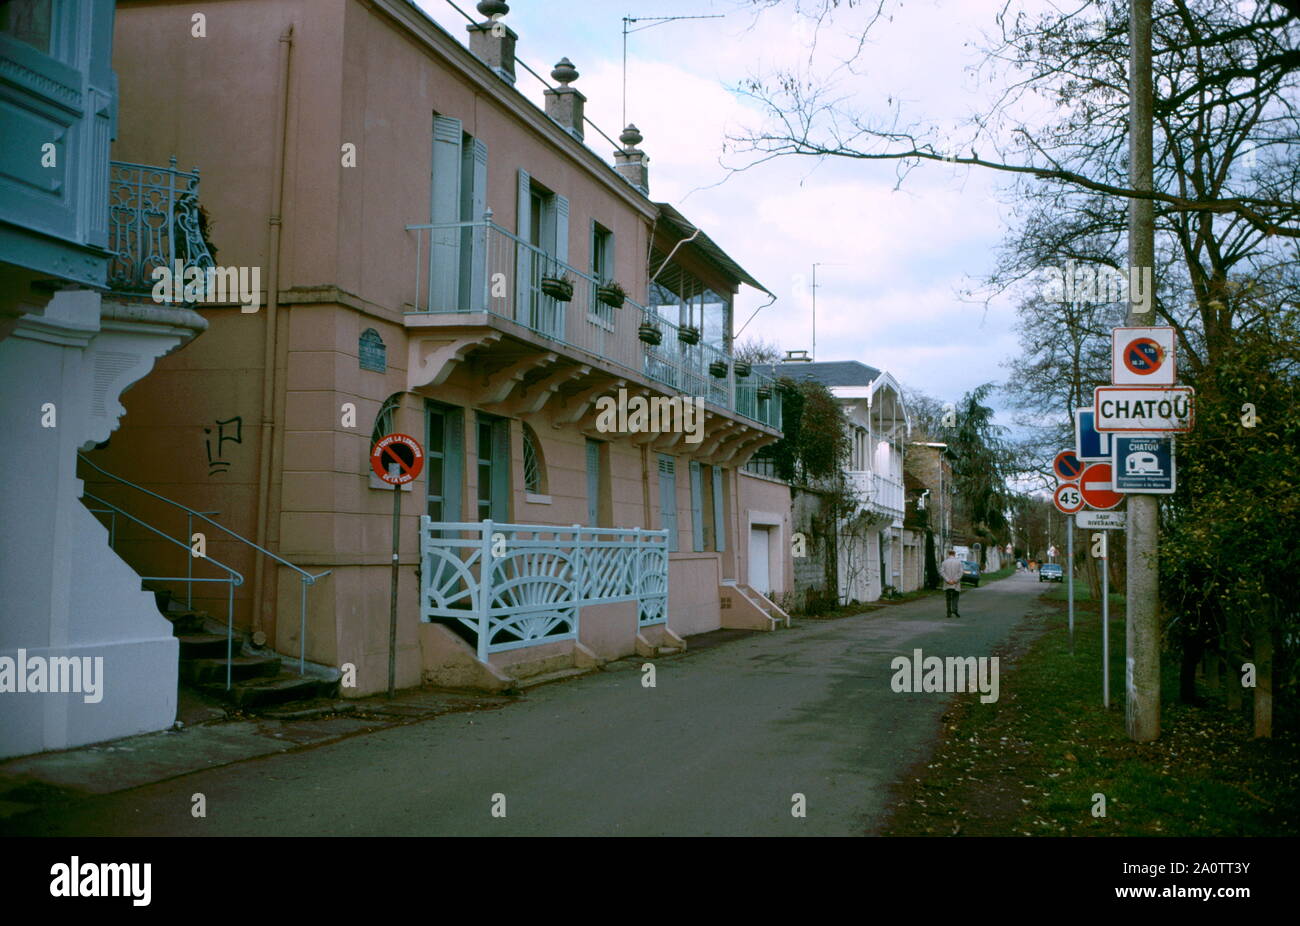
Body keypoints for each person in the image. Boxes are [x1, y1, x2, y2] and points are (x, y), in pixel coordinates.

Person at [939, 549, 964, 618]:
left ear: (948, 554)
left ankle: (948, 612)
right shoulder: (958, 562)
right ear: (954, 554)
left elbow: (941, 572)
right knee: (955, 597)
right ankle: (954, 609)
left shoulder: (944, 562)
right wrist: (955, 580)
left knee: (948, 598)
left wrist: (948, 580)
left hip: (947, 584)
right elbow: (961, 572)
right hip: (956, 583)